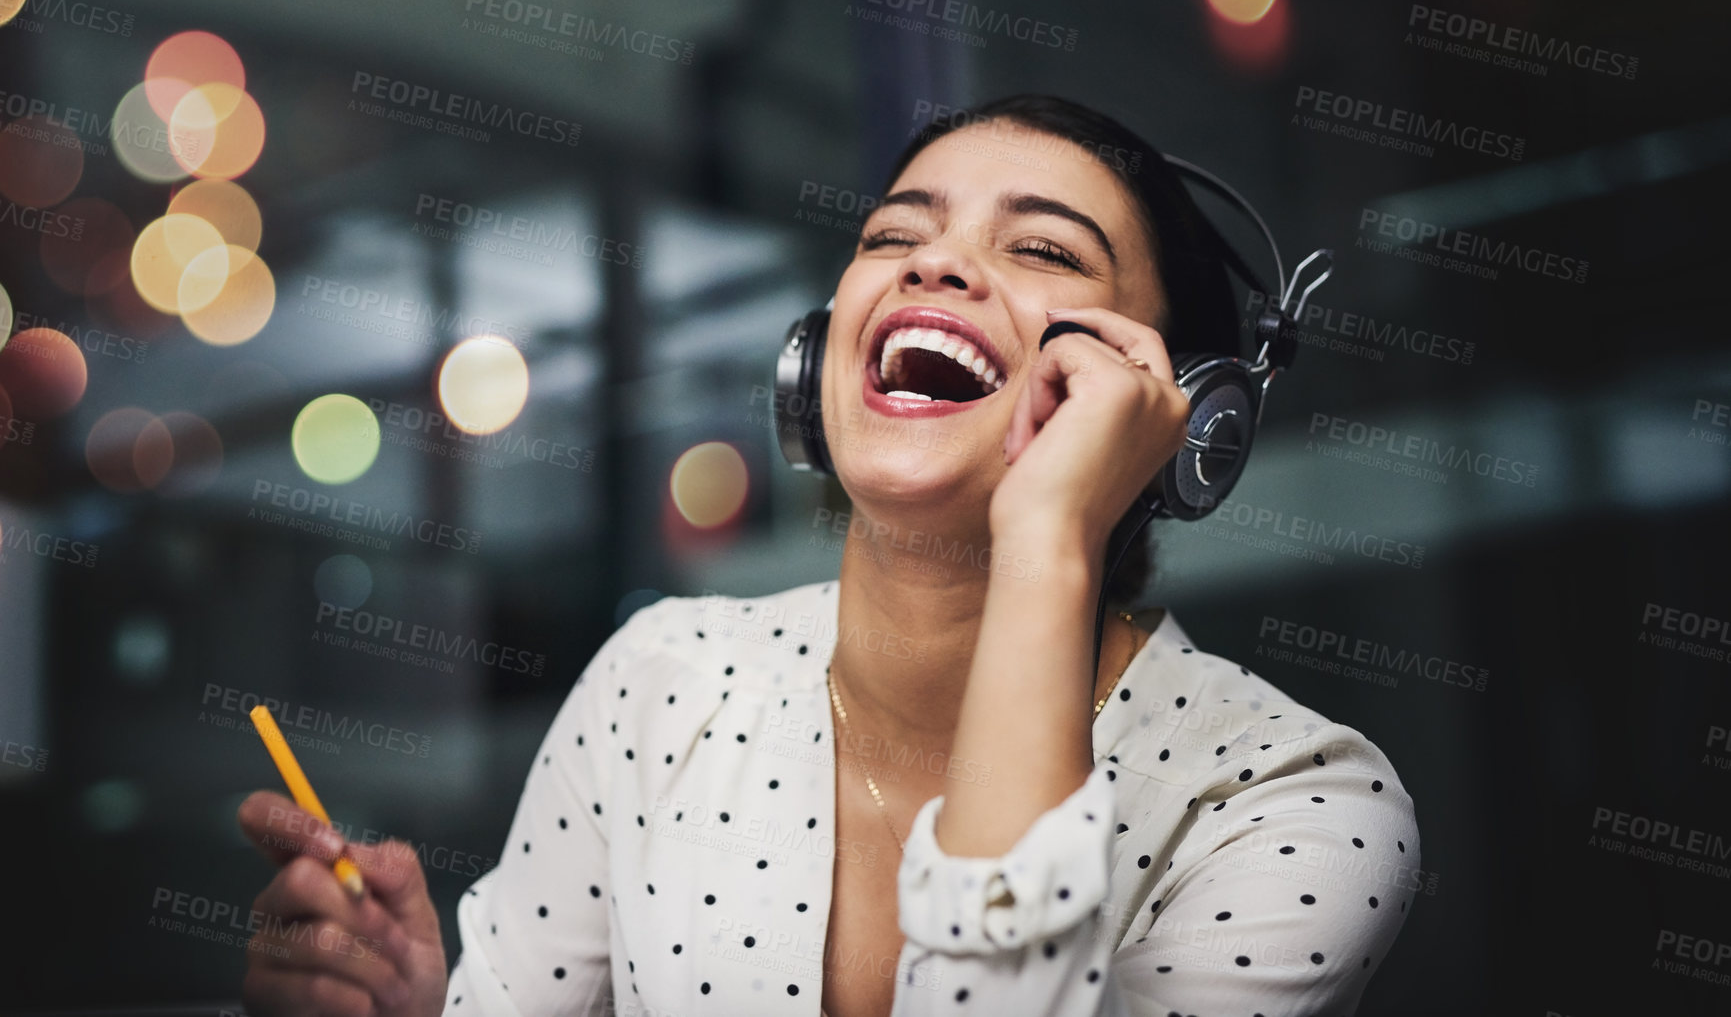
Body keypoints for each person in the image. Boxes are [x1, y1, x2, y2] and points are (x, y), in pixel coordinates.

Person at [236, 95, 1421, 1016]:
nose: (933, 264)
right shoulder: (662, 679)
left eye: (1048, 253)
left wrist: (1049, 537)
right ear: (815, 364)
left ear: (1183, 422)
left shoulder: (1287, 804)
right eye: (894, 234)